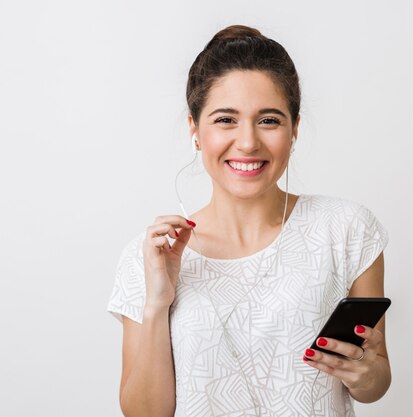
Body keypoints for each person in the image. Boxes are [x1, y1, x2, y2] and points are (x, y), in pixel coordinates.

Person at [107, 25, 391, 417]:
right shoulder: (151, 255)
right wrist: (158, 302)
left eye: (269, 120)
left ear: (294, 129)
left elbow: (374, 383)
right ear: (195, 130)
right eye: (226, 119)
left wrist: (366, 375)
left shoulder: (347, 230)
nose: (247, 142)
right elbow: (144, 413)